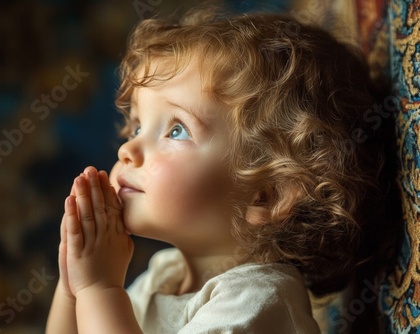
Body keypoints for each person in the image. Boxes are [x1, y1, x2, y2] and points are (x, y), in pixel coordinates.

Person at [46, 6, 386, 333]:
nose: (127, 150)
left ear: (266, 196)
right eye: (136, 127)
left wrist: (99, 289)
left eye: (176, 130)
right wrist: (72, 286)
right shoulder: (166, 275)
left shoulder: (258, 302)